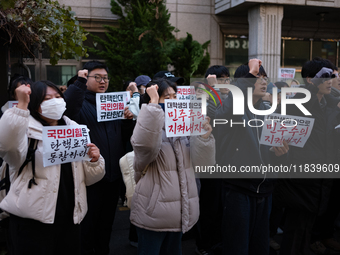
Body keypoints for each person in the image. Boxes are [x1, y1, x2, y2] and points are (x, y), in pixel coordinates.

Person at [0, 80, 105, 255]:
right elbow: (7, 146)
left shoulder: (75, 130)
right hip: (32, 223)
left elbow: (91, 178)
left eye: (58, 96)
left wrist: (94, 160)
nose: (55, 101)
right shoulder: (23, 129)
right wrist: (21, 107)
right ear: (34, 104)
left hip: (70, 220)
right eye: (47, 98)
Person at [130, 78, 215, 255]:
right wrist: (153, 105)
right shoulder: (147, 126)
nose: (172, 101)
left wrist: (203, 138)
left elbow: (204, 164)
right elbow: (145, 148)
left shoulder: (186, 125)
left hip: (180, 212)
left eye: (174, 96)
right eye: (165, 97)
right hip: (153, 213)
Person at [214, 59, 289, 255]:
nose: (263, 81)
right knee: (237, 247)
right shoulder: (233, 109)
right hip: (239, 189)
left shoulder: (267, 111)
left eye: (265, 77)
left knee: (260, 247)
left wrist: (280, 153)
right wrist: (249, 74)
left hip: (265, 189)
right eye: (257, 78)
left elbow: (271, 151)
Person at [63, 61, 135, 255]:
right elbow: (66, 109)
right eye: (97, 77)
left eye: (105, 78)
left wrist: (127, 121)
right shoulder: (79, 104)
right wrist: (79, 83)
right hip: (90, 178)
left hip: (112, 176)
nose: (103, 81)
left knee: (106, 226)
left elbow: (122, 136)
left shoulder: (113, 102)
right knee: (87, 228)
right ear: (87, 78)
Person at [274, 61, 340, 255]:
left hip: (319, 182)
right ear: (311, 80)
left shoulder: (328, 105)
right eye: (325, 77)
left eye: (333, 76)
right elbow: (277, 131)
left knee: (305, 234)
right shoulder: (297, 103)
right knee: (294, 235)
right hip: (298, 183)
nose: (331, 81)